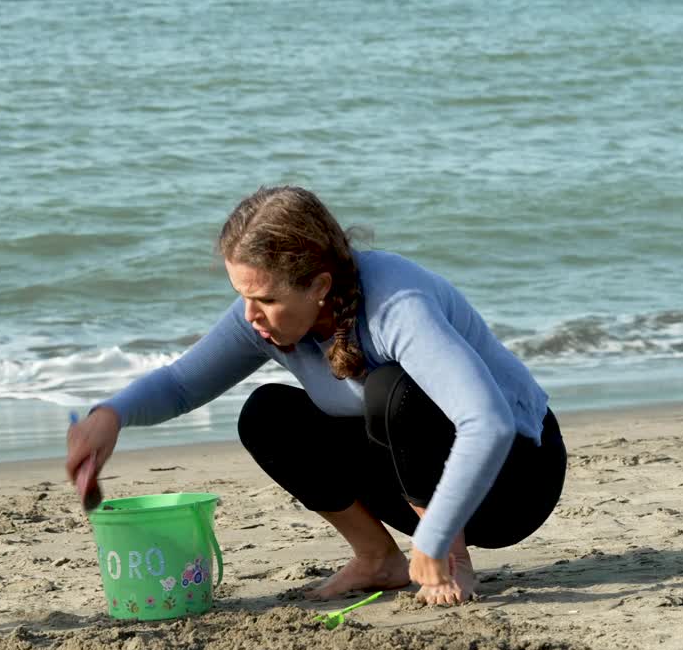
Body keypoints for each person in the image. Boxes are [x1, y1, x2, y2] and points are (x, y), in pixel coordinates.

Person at [66, 186, 566, 606]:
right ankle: (379, 560)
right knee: (268, 414)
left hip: (515, 481)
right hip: (423, 478)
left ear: (319, 286)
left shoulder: (397, 302)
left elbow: (489, 423)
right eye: (243, 296)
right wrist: (111, 415)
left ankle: (452, 561)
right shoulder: (264, 320)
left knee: (394, 391)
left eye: (265, 300)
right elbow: (180, 385)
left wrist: (434, 540)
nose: (250, 315)